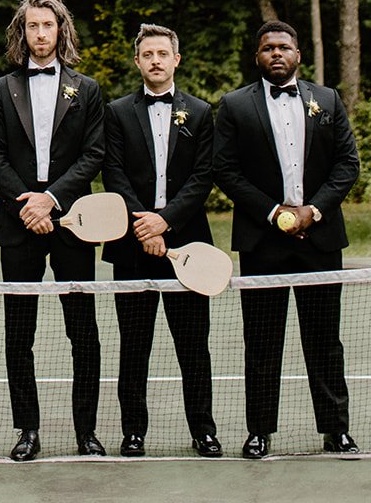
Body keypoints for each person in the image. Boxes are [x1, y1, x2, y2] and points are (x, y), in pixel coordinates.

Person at [213, 20, 360, 459]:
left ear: (298, 54)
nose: (276, 53)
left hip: (320, 239)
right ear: (257, 57)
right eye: (267, 48)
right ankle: (259, 431)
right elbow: (225, 170)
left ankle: (336, 429)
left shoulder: (327, 100)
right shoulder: (235, 105)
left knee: (325, 340)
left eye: (283, 47)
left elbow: (347, 164)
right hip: (263, 242)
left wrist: (313, 210)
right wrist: (273, 213)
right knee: (261, 341)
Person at [0, 0, 106, 460]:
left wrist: (51, 200)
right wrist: (28, 205)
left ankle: (86, 431)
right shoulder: (0, 89)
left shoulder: (86, 89)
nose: (40, 33)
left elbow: (93, 154)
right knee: (20, 332)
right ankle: (28, 430)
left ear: (60, 30)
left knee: (83, 330)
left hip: (74, 221)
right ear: (23, 31)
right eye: (32, 26)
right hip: (18, 222)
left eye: (47, 25)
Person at [102, 23, 221, 457]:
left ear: (176, 60)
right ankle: (133, 432)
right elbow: (112, 173)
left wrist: (165, 223)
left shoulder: (201, 113)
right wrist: (144, 226)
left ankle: (203, 431)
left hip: (187, 246)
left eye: (162, 54)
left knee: (194, 346)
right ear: (137, 61)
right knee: (134, 346)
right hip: (131, 247)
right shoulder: (116, 112)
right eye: (148, 54)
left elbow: (203, 176)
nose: (155, 61)